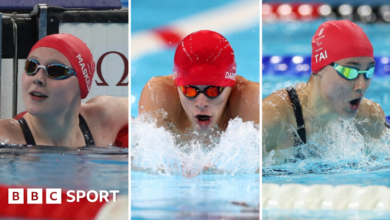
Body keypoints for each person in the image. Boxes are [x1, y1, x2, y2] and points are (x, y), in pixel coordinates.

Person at [263, 20, 385, 157]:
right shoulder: (272, 119)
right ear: (319, 68)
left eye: (369, 72)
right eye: (350, 71)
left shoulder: (369, 119)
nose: (362, 85)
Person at [0, 34, 128, 147]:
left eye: (56, 70)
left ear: (81, 83)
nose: (38, 78)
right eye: (31, 66)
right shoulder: (6, 136)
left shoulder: (104, 118)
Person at [138, 30, 259, 134]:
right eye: (189, 91)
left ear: (230, 86)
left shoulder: (250, 101)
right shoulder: (159, 96)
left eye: (213, 91)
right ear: (177, 86)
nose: (201, 103)